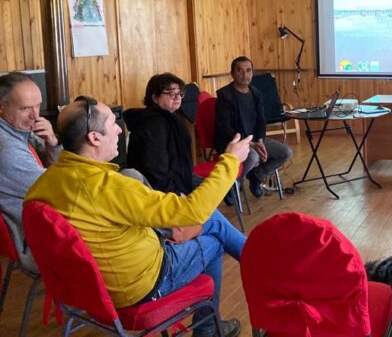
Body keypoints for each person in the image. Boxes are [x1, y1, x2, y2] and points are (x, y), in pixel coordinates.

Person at [25, 96, 252, 337]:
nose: (119, 131)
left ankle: (255, 261)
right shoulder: (108, 186)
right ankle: (209, 329)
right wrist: (230, 160)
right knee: (214, 243)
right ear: (94, 138)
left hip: (90, 291)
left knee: (209, 221)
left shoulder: (46, 182)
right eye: (112, 123)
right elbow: (192, 211)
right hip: (138, 287)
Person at [0, 72, 61, 272]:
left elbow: (56, 173)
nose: (35, 116)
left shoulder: (19, 131)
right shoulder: (8, 150)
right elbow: (60, 189)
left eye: (38, 105)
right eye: (25, 108)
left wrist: (53, 143)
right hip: (40, 240)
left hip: (47, 222)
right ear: (1, 107)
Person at [215, 56, 293, 198]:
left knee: (285, 152)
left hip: (255, 139)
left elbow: (261, 121)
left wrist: (261, 140)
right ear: (232, 73)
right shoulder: (224, 95)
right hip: (232, 142)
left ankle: (256, 176)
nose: (244, 74)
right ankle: (233, 184)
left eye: (248, 70)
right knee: (253, 156)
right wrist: (249, 144)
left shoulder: (256, 93)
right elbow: (224, 128)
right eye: (240, 71)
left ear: (252, 72)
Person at [126, 73, 199, 194]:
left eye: (179, 93)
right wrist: (177, 196)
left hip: (179, 179)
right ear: (155, 98)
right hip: (159, 190)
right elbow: (156, 170)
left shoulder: (173, 119)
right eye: (172, 93)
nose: (177, 98)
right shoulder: (153, 124)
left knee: (217, 187)